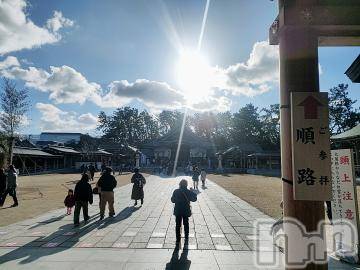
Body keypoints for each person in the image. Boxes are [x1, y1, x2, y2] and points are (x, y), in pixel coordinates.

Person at [171, 179, 197, 244]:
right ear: (186, 184)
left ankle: (178, 239)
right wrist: (193, 192)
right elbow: (194, 199)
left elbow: (172, 200)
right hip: (185, 210)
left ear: (180, 184)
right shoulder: (188, 192)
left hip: (178, 210)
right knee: (186, 224)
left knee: (178, 225)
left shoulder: (176, 191)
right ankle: (186, 237)